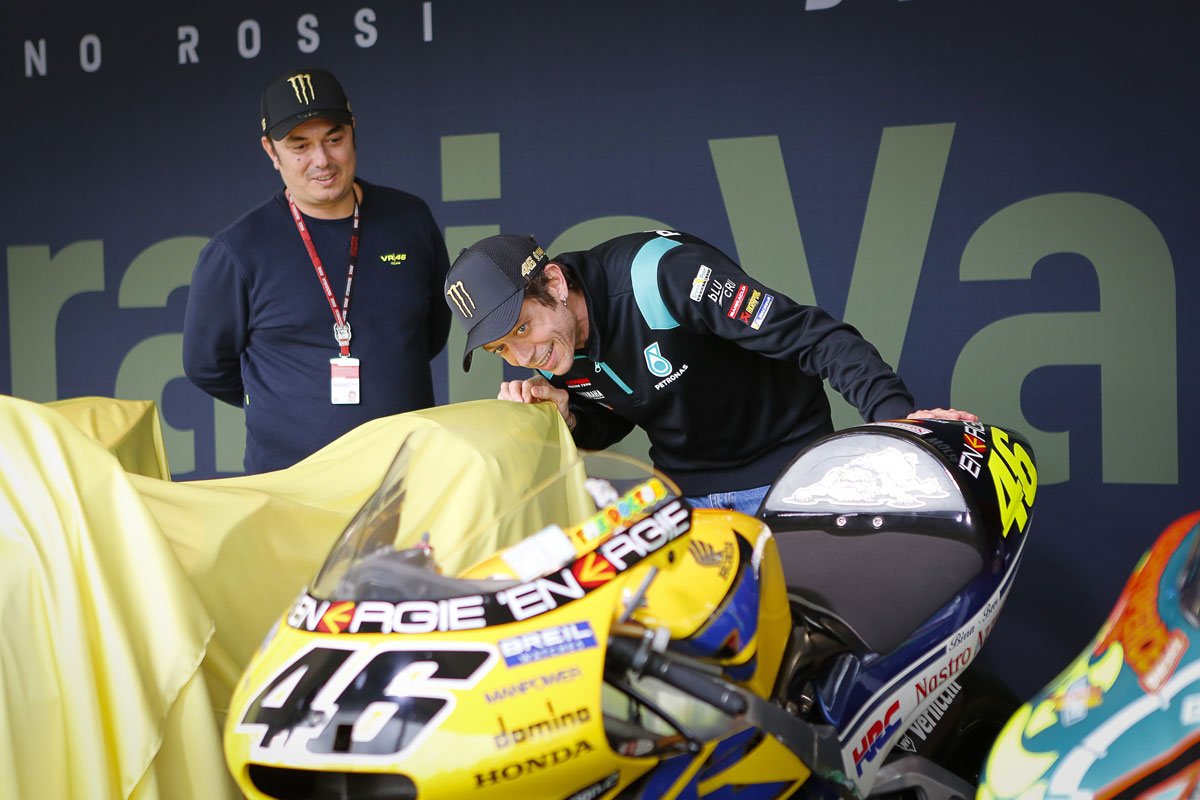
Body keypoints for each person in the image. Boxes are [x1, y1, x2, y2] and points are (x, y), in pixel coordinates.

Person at [443, 230, 975, 514]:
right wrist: (572, 417)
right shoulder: (554, 345)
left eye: (521, 328)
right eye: (499, 348)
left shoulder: (663, 275)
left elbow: (815, 338)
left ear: (556, 284)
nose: (521, 356)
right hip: (689, 497)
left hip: (791, 477)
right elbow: (629, 407)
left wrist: (897, 425)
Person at [183, 67, 450, 474]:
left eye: (334, 139)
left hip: (407, 475)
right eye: (300, 146)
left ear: (353, 130)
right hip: (292, 484)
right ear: (271, 151)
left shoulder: (410, 219)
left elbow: (431, 333)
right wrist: (281, 399)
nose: (322, 160)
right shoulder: (237, 250)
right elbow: (206, 365)